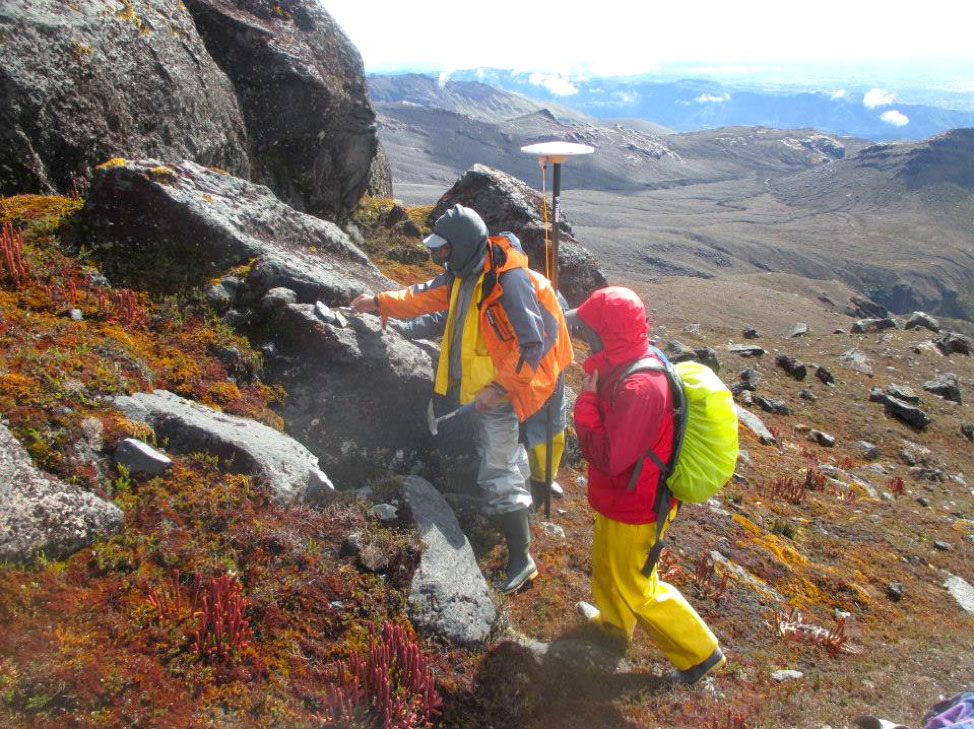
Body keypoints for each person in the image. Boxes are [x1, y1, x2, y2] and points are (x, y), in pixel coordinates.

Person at [350, 204, 572, 593]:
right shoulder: (463, 273)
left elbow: (532, 345)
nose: (440, 256)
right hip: (476, 386)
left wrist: (499, 389)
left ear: (466, 245)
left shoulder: (510, 281)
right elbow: (422, 296)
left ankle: (522, 558)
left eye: (444, 249)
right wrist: (379, 302)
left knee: (498, 469)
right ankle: (514, 510)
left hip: (502, 390)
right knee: (500, 458)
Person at [568, 286, 725, 686]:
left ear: (610, 333)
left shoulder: (641, 387)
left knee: (638, 585)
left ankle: (700, 653)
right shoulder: (628, 360)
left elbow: (609, 456)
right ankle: (612, 627)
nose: (585, 335)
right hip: (621, 495)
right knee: (607, 564)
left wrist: (585, 403)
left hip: (636, 502)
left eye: (591, 329)